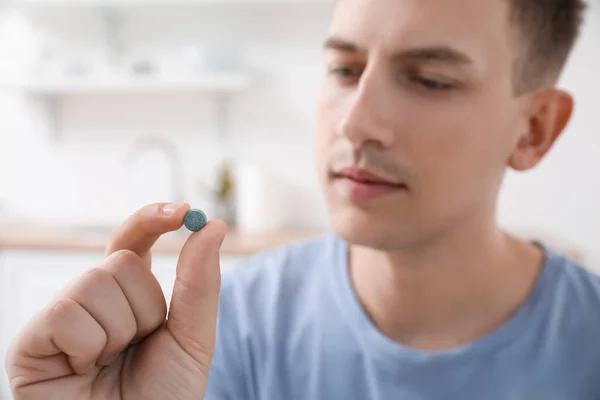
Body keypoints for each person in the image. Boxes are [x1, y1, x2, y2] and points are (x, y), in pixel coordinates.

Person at [5, 0, 598, 398]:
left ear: (533, 129)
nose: (358, 123)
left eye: (430, 80)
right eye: (345, 69)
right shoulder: (215, 330)